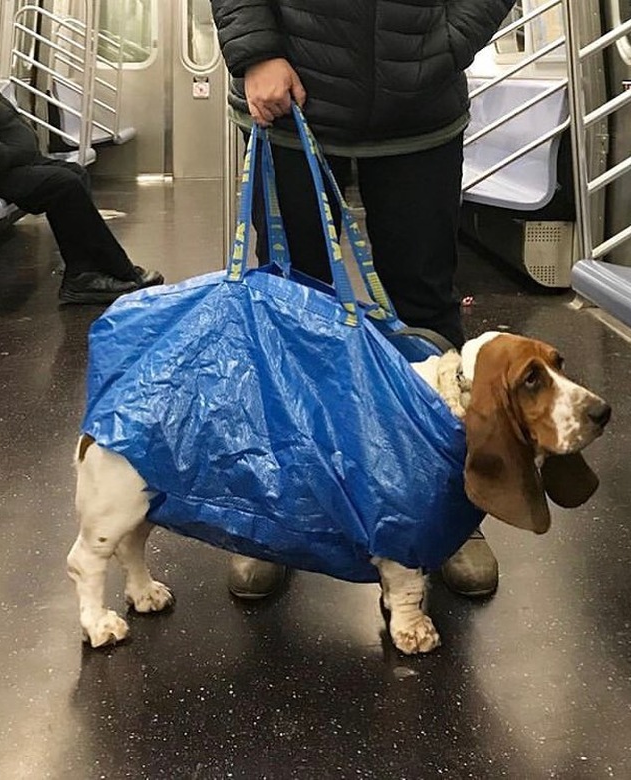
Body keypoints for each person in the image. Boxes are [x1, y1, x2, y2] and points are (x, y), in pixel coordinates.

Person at [211, 0, 516, 600]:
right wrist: (257, 52)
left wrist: (445, 42)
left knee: (425, 308)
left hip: (420, 107)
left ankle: (449, 509)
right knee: (289, 309)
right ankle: (280, 514)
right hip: (289, 97)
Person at [0, 53, 163, 304]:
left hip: (9, 160)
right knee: (63, 185)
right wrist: (8, 151)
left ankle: (88, 269)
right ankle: (112, 271)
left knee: (75, 174)